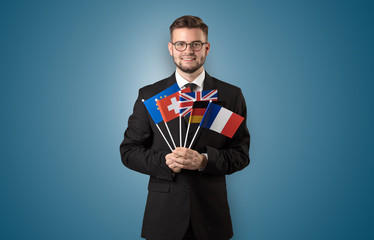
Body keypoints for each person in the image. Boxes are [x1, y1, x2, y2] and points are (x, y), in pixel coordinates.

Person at [120, 15, 250, 240]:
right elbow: (129, 152)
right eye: (181, 44)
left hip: (211, 218)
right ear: (171, 48)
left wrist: (204, 161)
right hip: (163, 217)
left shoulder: (230, 95)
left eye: (195, 44)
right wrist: (164, 162)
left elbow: (241, 154)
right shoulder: (150, 96)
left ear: (206, 48)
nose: (188, 50)